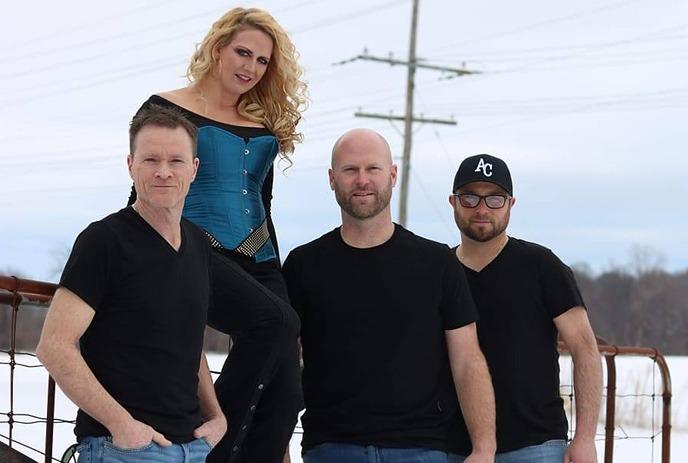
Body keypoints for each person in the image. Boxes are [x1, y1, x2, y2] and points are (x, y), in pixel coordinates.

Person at [126, 7, 307, 462]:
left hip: (261, 260)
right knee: (275, 324)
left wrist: (278, 278)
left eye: (262, 61)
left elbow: (262, 206)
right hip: (195, 252)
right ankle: (211, 449)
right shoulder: (165, 107)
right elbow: (143, 191)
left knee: (287, 389)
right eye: (243, 53)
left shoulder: (263, 123)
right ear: (218, 49)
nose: (250, 67)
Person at [283, 128, 497, 463]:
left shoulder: (437, 263)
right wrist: (279, 446)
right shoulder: (303, 265)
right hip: (332, 448)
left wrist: (484, 447)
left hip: (423, 448)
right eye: (350, 170)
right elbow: (282, 362)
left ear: (393, 175)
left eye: (373, 169)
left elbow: (468, 359)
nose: (362, 180)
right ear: (331, 178)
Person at [36, 105, 226, 462]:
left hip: (193, 448)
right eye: (151, 159)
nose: (164, 172)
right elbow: (54, 346)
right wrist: (123, 426)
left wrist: (216, 416)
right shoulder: (103, 241)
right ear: (130, 165)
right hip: (124, 449)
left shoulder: (198, 244)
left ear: (195, 169)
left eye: (176, 161)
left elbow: (189, 341)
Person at [448, 154, 603, 463]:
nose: (481, 209)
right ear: (453, 201)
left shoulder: (542, 266)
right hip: (453, 447)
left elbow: (585, 348)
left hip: (536, 445)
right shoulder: (439, 271)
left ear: (511, 203)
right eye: (470, 198)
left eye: (494, 199)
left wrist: (585, 438)